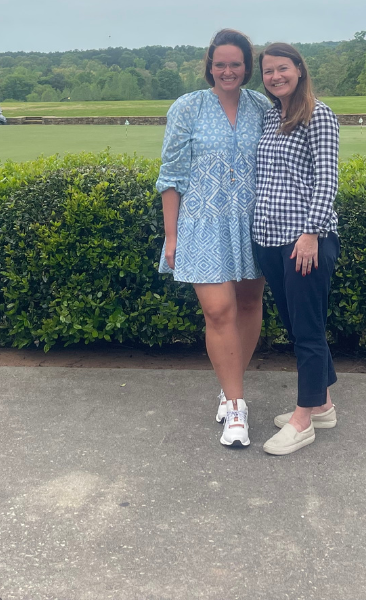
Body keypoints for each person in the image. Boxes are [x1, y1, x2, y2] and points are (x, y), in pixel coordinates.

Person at [157, 29, 272, 447]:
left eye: (236, 64)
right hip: (202, 223)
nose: (228, 71)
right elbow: (171, 177)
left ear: (247, 66)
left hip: (251, 221)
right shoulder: (187, 107)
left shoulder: (262, 107)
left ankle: (230, 388)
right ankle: (237, 410)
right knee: (219, 310)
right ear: (209, 66)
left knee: (248, 303)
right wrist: (172, 237)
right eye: (220, 63)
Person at [251, 43, 340, 456]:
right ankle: (321, 403)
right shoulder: (272, 117)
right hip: (270, 239)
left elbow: (327, 179)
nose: (274, 77)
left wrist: (311, 232)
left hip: (304, 241)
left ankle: (304, 419)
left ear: (300, 70)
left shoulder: (317, 114)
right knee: (295, 324)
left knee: (307, 330)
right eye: (268, 71)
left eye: (282, 68)